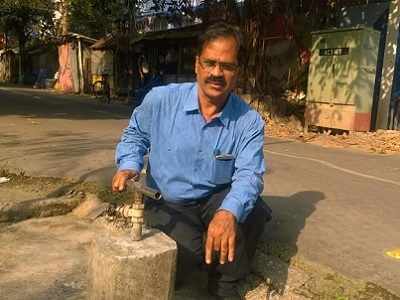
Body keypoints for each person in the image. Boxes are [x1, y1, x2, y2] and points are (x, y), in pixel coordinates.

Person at [112, 22, 271, 299]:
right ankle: (204, 266)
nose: (217, 73)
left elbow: (249, 174)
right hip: (169, 199)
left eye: (227, 66)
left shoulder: (249, 121)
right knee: (186, 259)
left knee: (252, 212)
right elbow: (135, 135)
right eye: (210, 63)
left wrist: (228, 214)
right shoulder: (161, 100)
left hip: (214, 197)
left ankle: (226, 283)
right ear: (197, 64)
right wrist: (129, 164)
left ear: (237, 72)